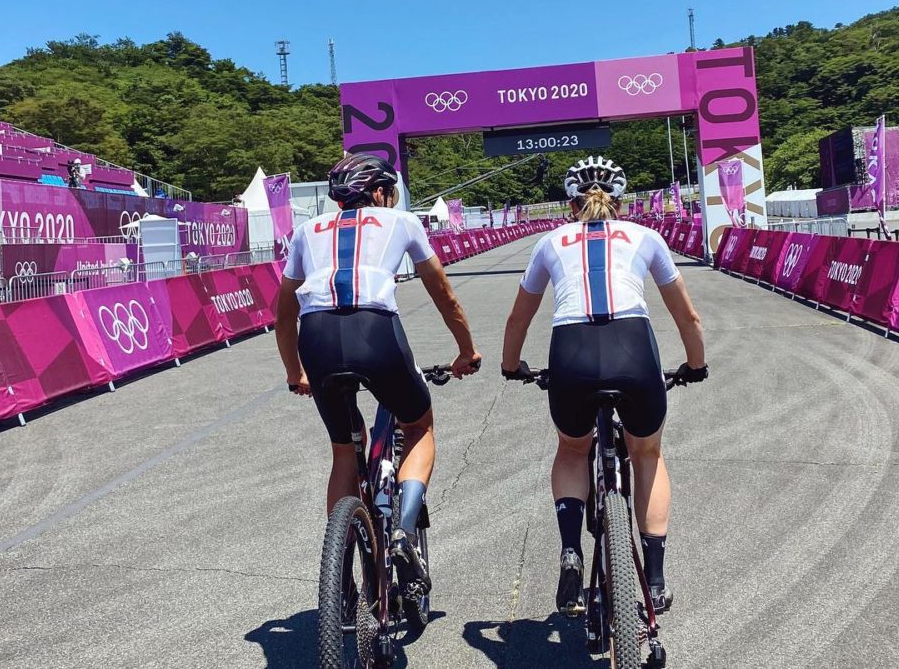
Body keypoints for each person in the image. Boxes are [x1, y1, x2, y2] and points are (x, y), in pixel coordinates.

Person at [500, 156, 708, 615]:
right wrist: (696, 364)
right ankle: (653, 580)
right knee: (647, 453)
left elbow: (519, 317)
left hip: (570, 349)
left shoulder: (550, 242)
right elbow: (686, 316)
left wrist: (511, 366)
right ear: (620, 197)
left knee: (573, 449)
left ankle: (571, 548)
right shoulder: (646, 237)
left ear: (570, 202)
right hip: (632, 346)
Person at [276, 153, 482, 597]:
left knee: (343, 453)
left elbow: (284, 314)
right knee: (419, 425)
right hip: (375, 331)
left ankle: (342, 575)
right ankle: (404, 530)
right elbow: (444, 295)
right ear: (378, 193)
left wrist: (296, 372)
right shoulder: (402, 221)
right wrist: (466, 351)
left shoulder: (304, 231)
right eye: (389, 191)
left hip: (318, 339)